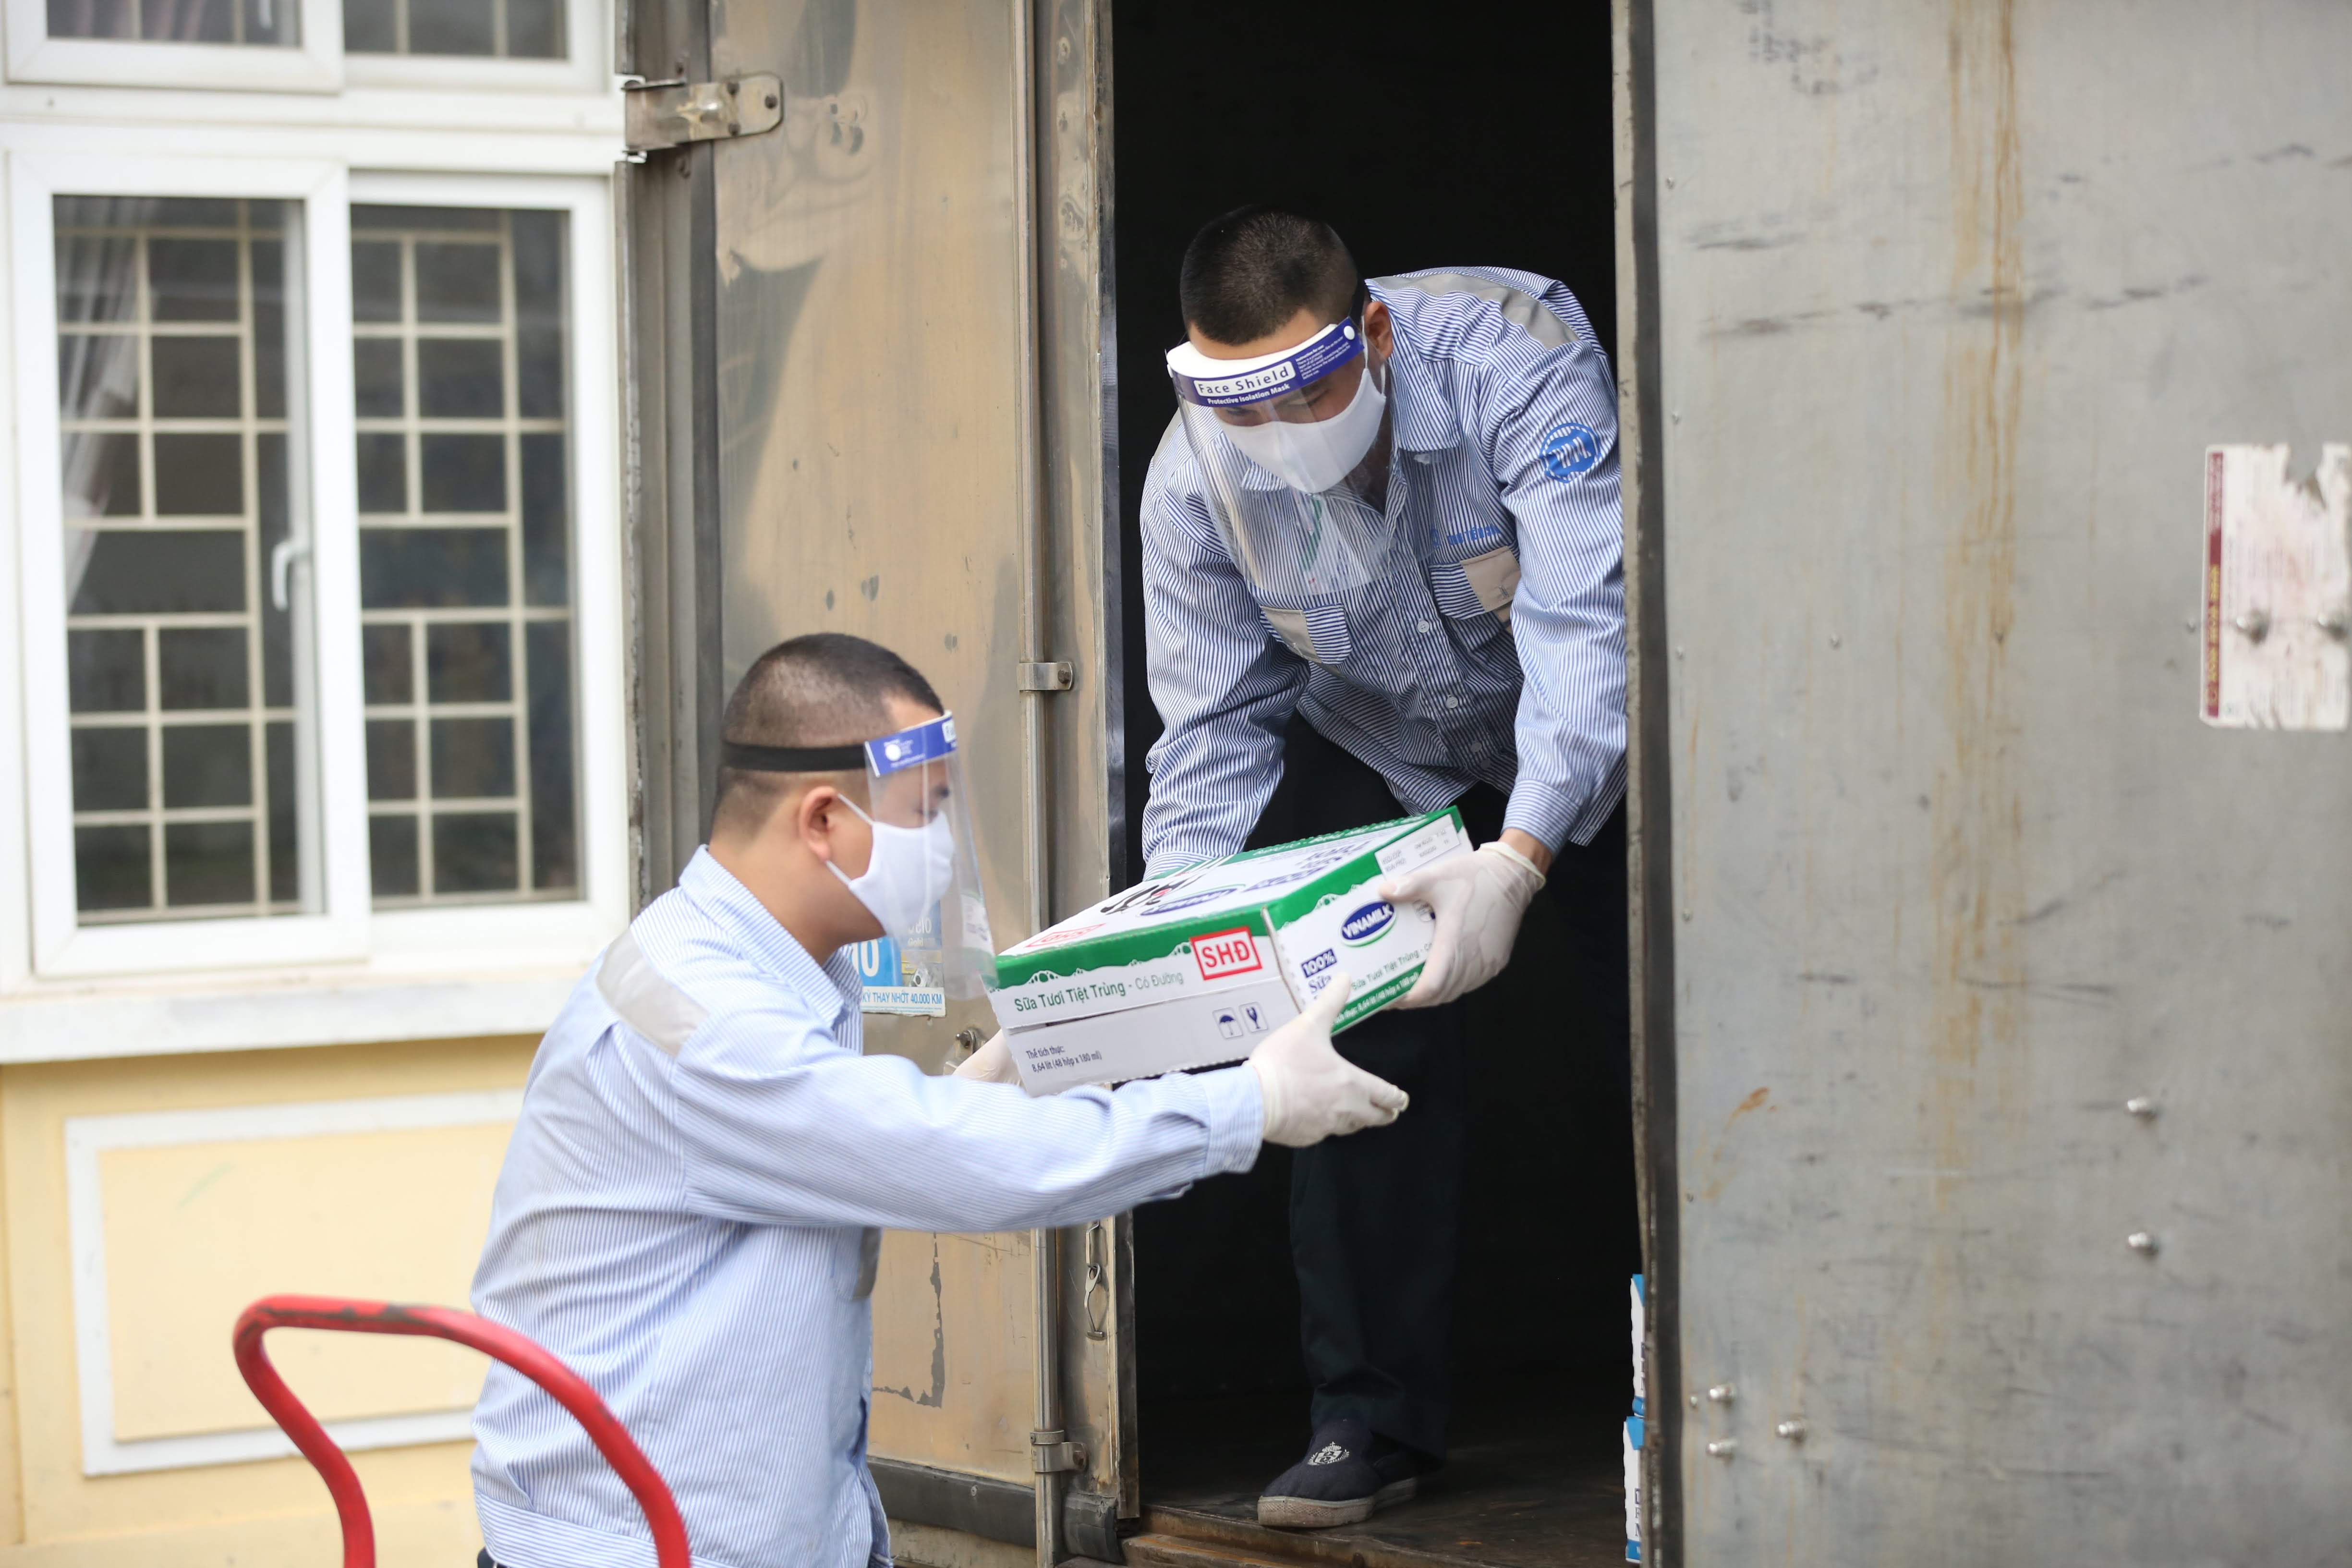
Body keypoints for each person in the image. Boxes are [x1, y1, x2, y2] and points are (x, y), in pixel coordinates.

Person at [468, 632, 1410, 1568]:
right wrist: (1252, 1103)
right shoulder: (703, 1020)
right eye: (924, 813)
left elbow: (842, 1141)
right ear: (824, 819)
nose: (945, 847)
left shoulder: (758, 969)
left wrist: (1019, 1058)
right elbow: (937, 1157)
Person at [1142, 208, 1630, 1528]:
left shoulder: (1511, 360)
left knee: (1668, 1032)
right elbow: (1212, 731)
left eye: (1306, 388)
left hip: (1589, 739)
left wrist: (1519, 860)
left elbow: (1587, 631)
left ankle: (1715, 1378)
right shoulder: (1193, 482)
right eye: (1239, 404)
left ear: (1370, 334)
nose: (1275, 429)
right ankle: (1366, 1418)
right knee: (1345, 1037)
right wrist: (1176, 939)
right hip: (1387, 747)